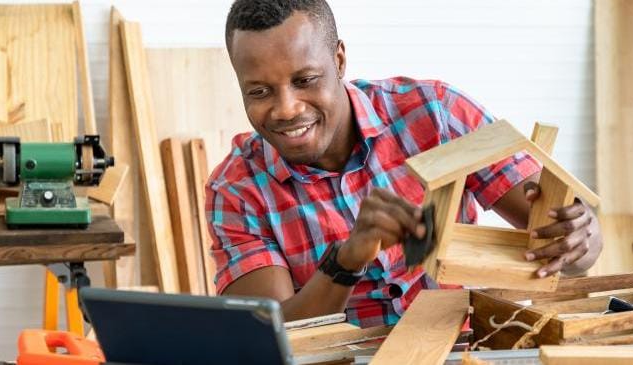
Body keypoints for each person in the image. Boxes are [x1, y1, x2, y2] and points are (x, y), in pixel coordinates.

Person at [206, 0, 603, 327]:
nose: (287, 109)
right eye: (259, 91)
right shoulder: (237, 190)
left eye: (305, 80)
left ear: (339, 60)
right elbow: (267, 337)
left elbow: (574, 255)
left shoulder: (437, 114)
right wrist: (347, 260)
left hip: (459, 348)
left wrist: (579, 238)